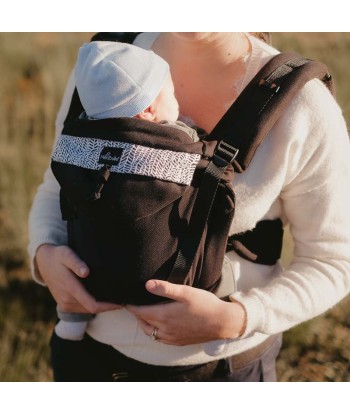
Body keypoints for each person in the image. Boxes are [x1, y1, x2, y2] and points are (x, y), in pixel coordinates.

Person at [28, 32, 350, 382]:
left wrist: (238, 318)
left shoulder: (301, 102)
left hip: (222, 370)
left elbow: (334, 260)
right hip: (91, 356)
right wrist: (43, 254)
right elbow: (57, 186)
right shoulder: (106, 62)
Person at [54, 40, 200, 341]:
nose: (176, 102)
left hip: (89, 274)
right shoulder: (175, 141)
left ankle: (71, 319)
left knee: (87, 248)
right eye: (170, 94)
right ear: (148, 110)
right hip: (159, 280)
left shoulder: (81, 135)